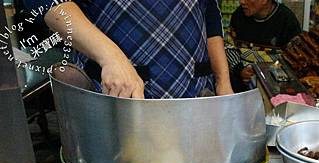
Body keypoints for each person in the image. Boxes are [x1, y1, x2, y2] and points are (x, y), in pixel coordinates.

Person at [24, 0, 233, 99]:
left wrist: (223, 81)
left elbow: (210, 16)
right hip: (118, 97)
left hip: (195, 97)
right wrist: (111, 58)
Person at [228, 0, 301, 91]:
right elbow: (229, 46)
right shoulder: (238, 15)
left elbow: (295, 61)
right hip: (240, 87)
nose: (241, 2)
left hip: (275, 88)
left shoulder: (287, 19)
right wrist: (239, 69)